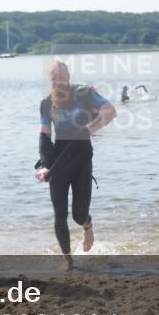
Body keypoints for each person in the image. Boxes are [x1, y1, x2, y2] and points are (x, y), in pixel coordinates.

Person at [35, 60, 116, 270]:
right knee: (59, 213)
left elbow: (109, 111)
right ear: (49, 80)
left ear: (68, 78)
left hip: (81, 158)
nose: (59, 83)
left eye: (62, 78)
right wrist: (44, 165)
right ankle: (68, 260)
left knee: (78, 214)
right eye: (54, 79)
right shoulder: (46, 103)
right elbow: (44, 137)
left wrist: (90, 128)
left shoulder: (84, 93)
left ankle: (87, 224)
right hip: (58, 160)